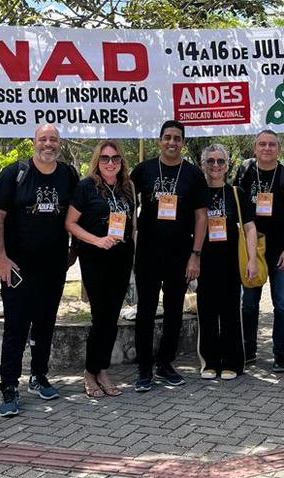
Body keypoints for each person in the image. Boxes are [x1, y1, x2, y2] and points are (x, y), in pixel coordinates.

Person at [0, 124, 79, 416]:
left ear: (60, 143)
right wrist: (1, 257)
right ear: (33, 142)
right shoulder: (14, 173)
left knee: (45, 324)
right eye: (43, 139)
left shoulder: (68, 174)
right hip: (17, 267)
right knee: (16, 326)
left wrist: (73, 250)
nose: (48, 144)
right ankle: (9, 386)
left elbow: (76, 216)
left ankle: (39, 376)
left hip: (53, 267)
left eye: (53, 139)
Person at [130, 120, 208, 391]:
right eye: (167, 138)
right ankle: (144, 368)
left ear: (183, 142)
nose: (172, 142)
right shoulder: (144, 170)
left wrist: (195, 254)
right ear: (159, 140)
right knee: (146, 311)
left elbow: (201, 216)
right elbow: (126, 202)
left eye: (177, 138)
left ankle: (165, 363)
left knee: (174, 310)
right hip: (148, 253)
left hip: (180, 254)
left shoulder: (193, 174)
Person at [65, 140, 136, 398]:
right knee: (100, 316)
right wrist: (97, 240)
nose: (110, 163)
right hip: (95, 259)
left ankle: (103, 370)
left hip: (121, 258)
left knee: (113, 317)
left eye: (115, 158)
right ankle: (90, 371)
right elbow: (71, 223)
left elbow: (131, 225)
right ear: (97, 160)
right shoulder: (86, 187)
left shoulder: (126, 188)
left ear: (121, 162)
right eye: (105, 158)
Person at [236, 129, 284, 372]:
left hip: (278, 251)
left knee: (282, 304)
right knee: (249, 304)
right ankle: (248, 349)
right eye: (262, 144)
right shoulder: (244, 173)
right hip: (251, 251)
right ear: (255, 148)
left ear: (279, 149)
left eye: (271, 145)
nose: (266, 148)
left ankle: (280, 353)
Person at [196, 143, 259, 380]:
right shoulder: (197, 192)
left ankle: (232, 361)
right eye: (210, 161)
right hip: (204, 262)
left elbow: (250, 228)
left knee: (231, 312)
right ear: (203, 164)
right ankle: (210, 362)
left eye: (220, 161)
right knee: (207, 312)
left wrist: (252, 259)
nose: (215, 166)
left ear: (227, 165)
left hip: (231, 262)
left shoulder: (236, 193)